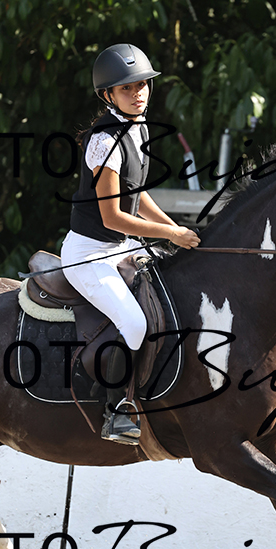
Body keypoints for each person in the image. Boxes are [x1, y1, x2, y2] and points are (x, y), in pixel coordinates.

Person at [61, 43, 200, 445]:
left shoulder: (137, 128)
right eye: (127, 88)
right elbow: (113, 217)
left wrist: (174, 228)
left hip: (120, 248)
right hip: (89, 254)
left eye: (142, 85)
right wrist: (170, 234)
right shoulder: (105, 141)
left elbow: (137, 194)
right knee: (135, 323)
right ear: (108, 94)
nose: (138, 93)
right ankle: (117, 408)